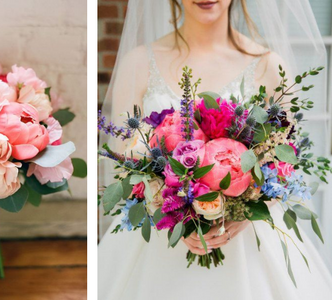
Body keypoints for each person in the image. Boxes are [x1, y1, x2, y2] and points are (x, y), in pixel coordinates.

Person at [98, 0, 332, 299]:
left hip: (247, 243)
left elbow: (285, 166)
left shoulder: (268, 65)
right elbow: (124, 161)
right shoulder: (139, 62)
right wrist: (172, 214)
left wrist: (244, 213)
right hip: (158, 235)